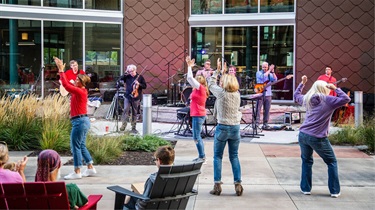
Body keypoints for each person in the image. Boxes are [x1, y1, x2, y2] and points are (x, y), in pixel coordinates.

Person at [294, 75, 350, 198]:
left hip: (303, 135)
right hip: (318, 137)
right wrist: (335, 88)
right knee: (331, 161)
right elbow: (346, 99)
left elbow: (296, 95)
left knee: (307, 161)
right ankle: (334, 191)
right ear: (326, 89)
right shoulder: (328, 100)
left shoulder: (307, 98)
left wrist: (302, 83)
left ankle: (305, 189)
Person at [54, 57, 97, 180]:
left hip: (79, 122)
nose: (75, 79)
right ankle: (90, 168)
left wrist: (61, 70)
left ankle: (77, 171)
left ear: (81, 83)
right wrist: (62, 73)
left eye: (77, 79)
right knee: (81, 145)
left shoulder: (79, 91)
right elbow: (67, 85)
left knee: (75, 146)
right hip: (82, 121)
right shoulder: (80, 91)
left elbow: (67, 86)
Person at [208, 58, 243, 196]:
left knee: (217, 156)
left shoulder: (221, 94)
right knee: (234, 156)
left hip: (222, 127)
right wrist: (223, 74)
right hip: (235, 128)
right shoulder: (237, 94)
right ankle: (238, 184)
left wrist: (217, 71)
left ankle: (217, 185)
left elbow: (210, 84)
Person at [185, 56, 209, 163]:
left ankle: (202, 156)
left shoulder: (201, 89)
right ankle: (201, 155)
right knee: (196, 136)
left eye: (197, 80)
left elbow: (190, 78)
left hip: (198, 114)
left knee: (196, 136)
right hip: (196, 114)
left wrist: (189, 67)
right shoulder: (198, 90)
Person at [118, 64, 147, 133]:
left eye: (132, 71)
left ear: (135, 70)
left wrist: (139, 84)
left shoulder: (140, 77)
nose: (131, 73)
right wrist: (125, 73)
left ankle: (133, 127)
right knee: (125, 110)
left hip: (136, 96)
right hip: (128, 96)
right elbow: (120, 79)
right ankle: (123, 125)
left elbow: (145, 86)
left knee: (134, 112)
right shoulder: (127, 76)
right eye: (129, 71)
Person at [255, 62, 277, 130]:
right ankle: (256, 123)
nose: (264, 68)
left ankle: (265, 123)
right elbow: (263, 76)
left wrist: (273, 72)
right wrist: (269, 70)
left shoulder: (270, 74)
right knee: (258, 109)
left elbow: (275, 80)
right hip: (260, 93)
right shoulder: (258, 73)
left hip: (268, 94)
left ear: (267, 67)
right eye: (263, 67)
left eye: (266, 67)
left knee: (267, 110)